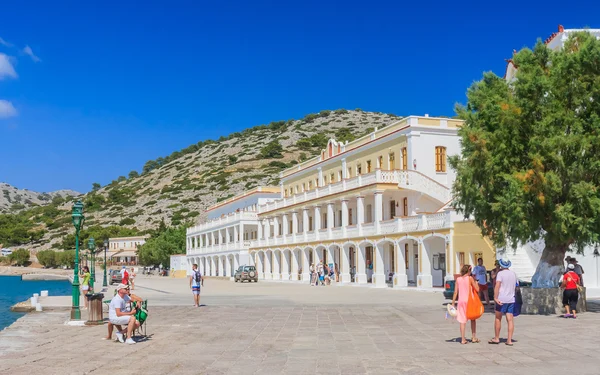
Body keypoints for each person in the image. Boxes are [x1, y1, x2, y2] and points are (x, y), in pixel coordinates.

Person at [490, 259, 517, 346]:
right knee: (510, 319)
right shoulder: (513, 274)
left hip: (501, 299)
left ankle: (497, 338)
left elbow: (497, 286)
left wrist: (495, 297)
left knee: (498, 318)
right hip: (511, 299)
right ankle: (509, 340)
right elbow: (516, 286)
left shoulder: (500, 274)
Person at [451, 264, 480, 344]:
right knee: (473, 318)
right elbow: (477, 289)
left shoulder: (458, 279)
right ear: (469, 271)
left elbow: (456, 292)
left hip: (461, 301)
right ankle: (474, 337)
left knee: (462, 320)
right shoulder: (470, 278)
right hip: (469, 301)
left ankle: (463, 339)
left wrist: (453, 303)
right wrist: (476, 282)